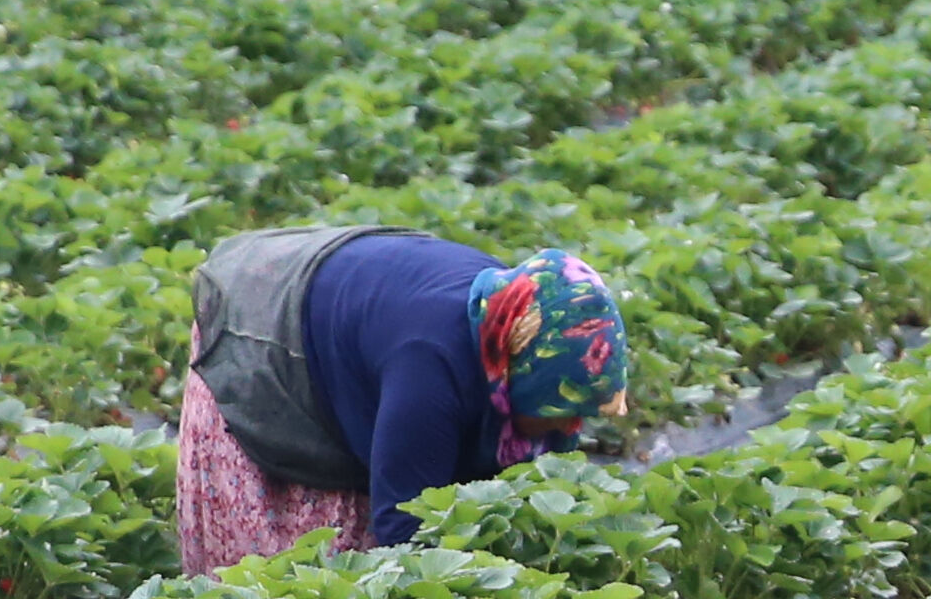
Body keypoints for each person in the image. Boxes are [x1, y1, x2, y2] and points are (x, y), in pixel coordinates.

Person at [176, 229, 629, 571]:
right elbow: (403, 524)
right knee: (293, 562)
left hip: (368, 311)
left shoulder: (517, 322)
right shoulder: (430, 367)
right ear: (524, 378)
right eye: (558, 411)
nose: (570, 428)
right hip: (264, 317)